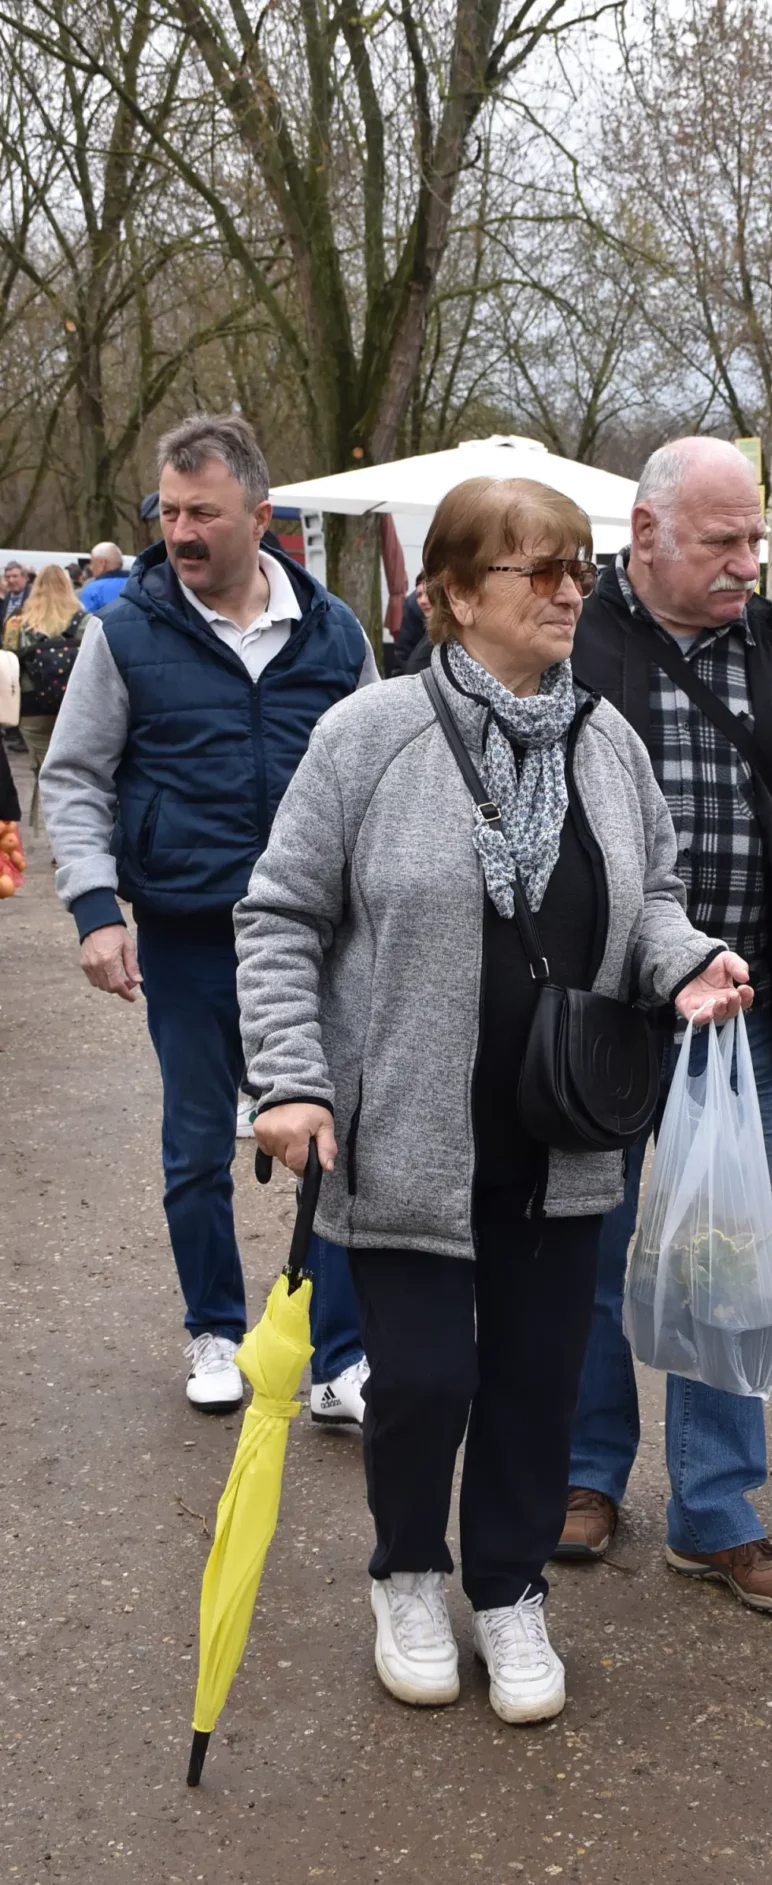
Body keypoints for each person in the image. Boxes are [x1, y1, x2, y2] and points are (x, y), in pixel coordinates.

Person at [234, 474, 748, 1725]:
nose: (575, 592)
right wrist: (293, 1079)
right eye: (541, 572)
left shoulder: (607, 741)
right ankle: (408, 1572)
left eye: (580, 568)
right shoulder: (367, 735)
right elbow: (281, 913)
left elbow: (653, 897)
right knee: (421, 1383)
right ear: (458, 596)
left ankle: (509, 1589)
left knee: (534, 1379)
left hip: (562, 1135)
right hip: (404, 1134)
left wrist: (685, 960)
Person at [556, 436, 772, 1613]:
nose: (748, 564)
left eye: (756, 540)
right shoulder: (575, 637)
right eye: (721, 541)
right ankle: (587, 1476)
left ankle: (717, 1508)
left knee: (725, 1257)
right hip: (601, 1006)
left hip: (742, 1012)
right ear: (645, 536)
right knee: (592, 1248)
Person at [40, 413, 375, 1424]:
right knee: (196, 1145)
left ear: (261, 517)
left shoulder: (337, 633)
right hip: (189, 934)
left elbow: (382, 774)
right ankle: (216, 1330)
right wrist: (97, 909)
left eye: (204, 512)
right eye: (169, 510)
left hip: (320, 937)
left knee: (333, 1140)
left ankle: (333, 1354)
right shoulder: (127, 632)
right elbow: (76, 775)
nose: (180, 530)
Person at [2, 564, 87, 817]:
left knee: (44, 771)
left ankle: (53, 828)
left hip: (32, 707)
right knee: (77, 772)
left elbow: (8, 662)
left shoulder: (17, 623)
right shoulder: (86, 621)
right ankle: (75, 827)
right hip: (76, 707)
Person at [391, 569, 432, 675]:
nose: (423, 600)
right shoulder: (413, 607)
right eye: (419, 595)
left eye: (429, 593)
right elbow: (403, 653)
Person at [78, 543, 130, 613]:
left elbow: (87, 621)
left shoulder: (91, 590)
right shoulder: (139, 583)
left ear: (102, 564)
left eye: (92, 562)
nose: (90, 567)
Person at [2, 561, 30, 625]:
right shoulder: (6, 597)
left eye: (15, 576)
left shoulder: (33, 596)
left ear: (25, 577)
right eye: (8, 577)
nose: (11, 580)